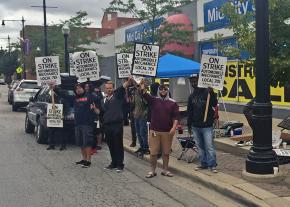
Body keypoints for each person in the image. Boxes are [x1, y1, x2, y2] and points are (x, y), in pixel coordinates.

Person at [140, 81, 179, 178]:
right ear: (158, 90)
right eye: (161, 89)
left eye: (165, 89)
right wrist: (142, 87)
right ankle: (152, 171)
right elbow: (144, 94)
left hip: (167, 131)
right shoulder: (153, 100)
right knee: (153, 153)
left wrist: (174, 128)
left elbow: (176, 117)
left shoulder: (173, 103)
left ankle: (165, 170)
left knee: (166, 153)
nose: (163, 91)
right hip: (154, 131)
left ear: (167, 90)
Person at [187, 75, 218, 173]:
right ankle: (203, 163)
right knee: (200, 147)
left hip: (207, 126)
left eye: (195, 81)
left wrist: (212, 92)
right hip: (195, 126)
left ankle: (212, 165)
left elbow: (214, 104)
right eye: (192, 82)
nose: (193, 83)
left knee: (209, 146)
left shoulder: (207, 92)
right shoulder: (191, 96)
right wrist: (189, 125)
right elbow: (189, 111)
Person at [102, 79, 131, 173]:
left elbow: (123, 86)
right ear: (105, 89)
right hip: (107, 125)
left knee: (118, 145)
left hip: (117, 125)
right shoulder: (104, 100)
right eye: (107, 88)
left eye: (110, 88)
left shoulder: (117, 96)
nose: (109, 89)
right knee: (110, 145)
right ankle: (113, 163)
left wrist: (129, 80)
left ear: (113, 88)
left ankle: (120, 164)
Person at [74, 83, 100, 168]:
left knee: (87, 142)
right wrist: (54, 88)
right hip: (78, 123)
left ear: (84, 88)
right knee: (81, 142)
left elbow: (98, 98)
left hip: (87, 123)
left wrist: (91, 90)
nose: (78, 89)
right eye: (77, 88)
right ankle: (84, 159)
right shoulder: (75, 98)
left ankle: (88, 160)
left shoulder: (89, 96)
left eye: (80, 88)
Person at [130, 82, 150, 155]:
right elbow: (133, 104)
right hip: (136, 116)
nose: (138, 87)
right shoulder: (135, 94)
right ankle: (141, 147)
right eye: (137, 86)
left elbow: (148, 105)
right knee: (138, 132)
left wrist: (145, 113)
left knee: (143, 133)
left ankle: (146, 148)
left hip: (142, 117)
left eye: (139, 86)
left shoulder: (145, 94)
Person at [46, 85, 66, 151]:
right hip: (52, 118)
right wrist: (47, 114)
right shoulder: (50, 98)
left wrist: (64, 115)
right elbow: (48, 107)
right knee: (51, 132)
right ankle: (51, 145)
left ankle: (63, 145)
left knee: (61, 132)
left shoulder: (61, 99)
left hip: (60, 118)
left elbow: (66, 108)